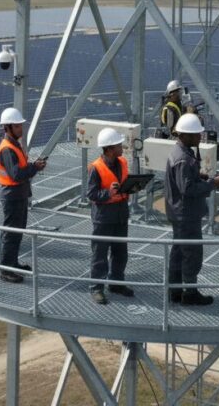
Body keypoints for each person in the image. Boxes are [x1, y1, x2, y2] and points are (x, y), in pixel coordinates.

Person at [165, 113, 219, 305]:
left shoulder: (180, 153)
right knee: (192, 254)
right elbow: (187, 188)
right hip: (186, 214)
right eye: (195, 134)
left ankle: (175, 291)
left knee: (178, 252)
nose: (199, 137)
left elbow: (186, 180)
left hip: (178, 212)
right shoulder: (184, 159)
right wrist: (214, 183)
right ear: (185, 135)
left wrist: (204, 177)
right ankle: (190, 293)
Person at [0, 107, 47, 284]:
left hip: (18, 195)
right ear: (8, 127)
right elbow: (16, 174)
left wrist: (33, 165)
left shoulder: (13, 145)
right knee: (11, 233)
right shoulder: (7, 149)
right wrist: (35, 168)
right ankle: (6, 270)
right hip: (12, 196)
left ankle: (12, 263)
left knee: (17, 232)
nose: (21, 129)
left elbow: (19, 170)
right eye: (17, 126)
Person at [86, 127, 135, 305]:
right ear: (109, 148)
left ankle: (116, 283)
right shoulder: (96, 168)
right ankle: (96, 288)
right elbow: (91, 194)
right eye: (118, 144)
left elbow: (124, 182)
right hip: (104, 218)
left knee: (120, 252)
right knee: (100, 254)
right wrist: (108, 193)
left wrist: (133, 187)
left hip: (121, 215)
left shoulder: (122, 162)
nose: (121, 147)